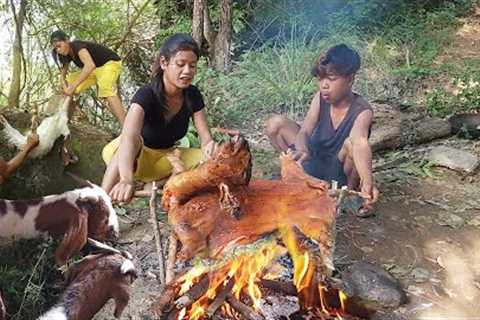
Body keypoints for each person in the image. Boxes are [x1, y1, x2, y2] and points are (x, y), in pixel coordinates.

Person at [264, 44, 379, 215]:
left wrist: (368, 182)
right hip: (314, 162)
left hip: (339, 172)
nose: (324, 85)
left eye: (331, 79)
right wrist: (302, 149)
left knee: (351, 144)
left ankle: (347, 195)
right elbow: (304, 131)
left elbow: (360, 143)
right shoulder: (320, 99)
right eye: (320, 79)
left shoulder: (362, 110)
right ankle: (299, 178)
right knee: (275, 124)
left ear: (350, 78)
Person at [101, 33, 216, 204]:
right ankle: (100, 200)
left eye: (192, 66)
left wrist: (210, 148)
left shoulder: (193, 95)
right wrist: (126, 179)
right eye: (180, 64)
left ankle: (157, 184)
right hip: (136, 159)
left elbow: (206, 138)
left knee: (214, 162)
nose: (187, 71)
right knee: (130, 142)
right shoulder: (146, 95)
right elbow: (129, 137)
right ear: (164, 63)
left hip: (166, 159)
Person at [50, 30, 126, 125]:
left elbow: (90, 65)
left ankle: (126, 127)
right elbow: (63, 75)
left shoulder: (77, 45)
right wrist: (65, 86)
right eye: (55, 48)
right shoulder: (66, 55)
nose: (58, 50)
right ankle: (60, 119)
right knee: (68, 81)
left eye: (59, 46)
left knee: (105, 88)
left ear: (67, 40)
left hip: (110, 64)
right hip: (95, 70)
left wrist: (72, 87)